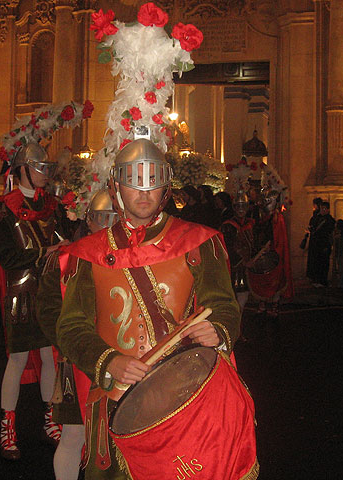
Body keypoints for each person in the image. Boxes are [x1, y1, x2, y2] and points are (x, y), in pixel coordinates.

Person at [55, 139, 254, 479]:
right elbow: (72, 327)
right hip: (115, 398)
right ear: (116, 185)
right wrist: (109, 361)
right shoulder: (87, 253)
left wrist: (217, 329)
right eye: (133, 179)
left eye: (153, 180)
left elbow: (222, 304)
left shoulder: (199, 241)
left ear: (166, 185)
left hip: (182, 397)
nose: (144, 191)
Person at [0, 141, 70, 460]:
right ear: (22, 169)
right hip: (20, 293)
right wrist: (43, 253)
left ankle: (51, 419)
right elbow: (7, 256)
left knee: (50, 357)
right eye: (39, 168)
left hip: (48, 289)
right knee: (18, 359)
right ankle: (7, 425)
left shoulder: (52, 204)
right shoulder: (1, 208)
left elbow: (63, 239)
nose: (44, 174)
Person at [37, 189, 119, 480]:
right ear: (90, 220)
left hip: (121, 359)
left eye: (114, 218)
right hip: (76, 362)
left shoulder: (133, 257)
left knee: (119, 437)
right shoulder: (64, 259)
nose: (107, 225)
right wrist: (74, 343)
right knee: (73, 436)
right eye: (101, 218)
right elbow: (48, 312)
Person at [247, 187, 294, 317]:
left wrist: (264, 251)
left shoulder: (277, 218)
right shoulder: (263, 216)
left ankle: (274, 305)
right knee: (262, 280)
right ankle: (262, 303)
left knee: (275, 280)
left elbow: (276, 239)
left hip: (273, 253)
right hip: (261, 251)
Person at [221, 190, 255, 312]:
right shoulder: (228, 225)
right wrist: (241, 260)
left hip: (249, 263)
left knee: (245, 293)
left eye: (244, 206)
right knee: (236, 291)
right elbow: (227, 246)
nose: (241, 209)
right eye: (238, 206)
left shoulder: (251, 223)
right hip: (235, 265)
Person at [307, 201, 336, 287]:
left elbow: (329, 231)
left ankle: (323, 280)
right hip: (316, 243)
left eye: (324, 209)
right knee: (316, 262)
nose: (322, 210)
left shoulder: (330, 220)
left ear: (328, 209)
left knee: (323, 262)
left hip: (324, 244)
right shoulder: (316, 218)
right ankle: (316, 279)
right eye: (321, 208)